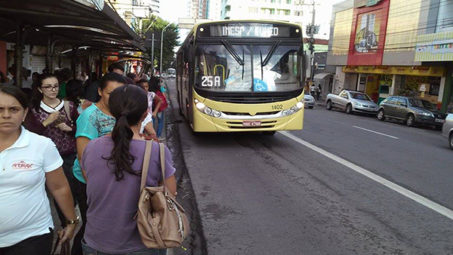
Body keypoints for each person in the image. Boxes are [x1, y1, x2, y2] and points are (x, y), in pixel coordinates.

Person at [81, 85, 176, 254]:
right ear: (145, 114)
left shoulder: (91, 147)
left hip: (96, 241)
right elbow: (170, 193)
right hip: (142, 242)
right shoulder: (156, 151)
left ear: (112, 111)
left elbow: (92, 182)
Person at [0, 85, 77, 255]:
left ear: (25, 113)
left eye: (13, 109)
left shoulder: (41, 145)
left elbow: (59, 187)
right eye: (0, 109)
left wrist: (71, 221)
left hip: (31, 238)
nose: (6, 115)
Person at [23, 73, 80, 254]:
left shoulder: (70, 106)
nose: (53, 90)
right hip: (43, 158)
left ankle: (67, 223)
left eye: (55, 86)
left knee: (69, 190)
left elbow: (80, 130)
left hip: (68, 156)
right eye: (48, 87)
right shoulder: (34, 110)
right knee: (45, 192)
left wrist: (68, 129)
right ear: (40, 89)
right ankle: (53, 226)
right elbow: (29, 133)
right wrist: (48, 121)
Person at [71, 73, 126, 254]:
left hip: (111, 180)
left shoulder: (121, 112)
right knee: (91, 225)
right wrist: (96, 188)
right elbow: (83, 157)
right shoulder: (90, 116)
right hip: (90, 182)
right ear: (101, 91)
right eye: (111, 93)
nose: (116, 98)